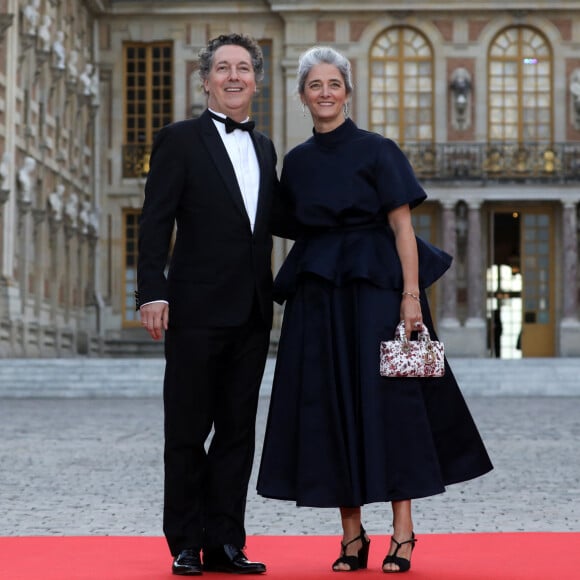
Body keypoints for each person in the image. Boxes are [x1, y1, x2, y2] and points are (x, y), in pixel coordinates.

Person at [256, 46, 493, 574]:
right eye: (314, 85)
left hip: (379, 291)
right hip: (319, 296)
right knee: (333, 405)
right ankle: (352, 535)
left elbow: (403, 228)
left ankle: (403, 532)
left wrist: (411, 296)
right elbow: (287, 225)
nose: (324, 93)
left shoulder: (379, 150)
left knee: (391, 406)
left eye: (333, 83)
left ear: (347, 90)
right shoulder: (295, 163)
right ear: (302, 96)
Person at [137, 33, 279, 576]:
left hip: (251, 313)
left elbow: (270, 223)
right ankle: (185, 542)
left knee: (239, 432)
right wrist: (152, 290)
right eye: (224, 68)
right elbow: (155, 221)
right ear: (206, 81)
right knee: (187, 429)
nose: (235, 76)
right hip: (194, 310)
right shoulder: (179, 140)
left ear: (256, 82)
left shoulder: (264, 148)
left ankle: (225, 542)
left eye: (244, 68)